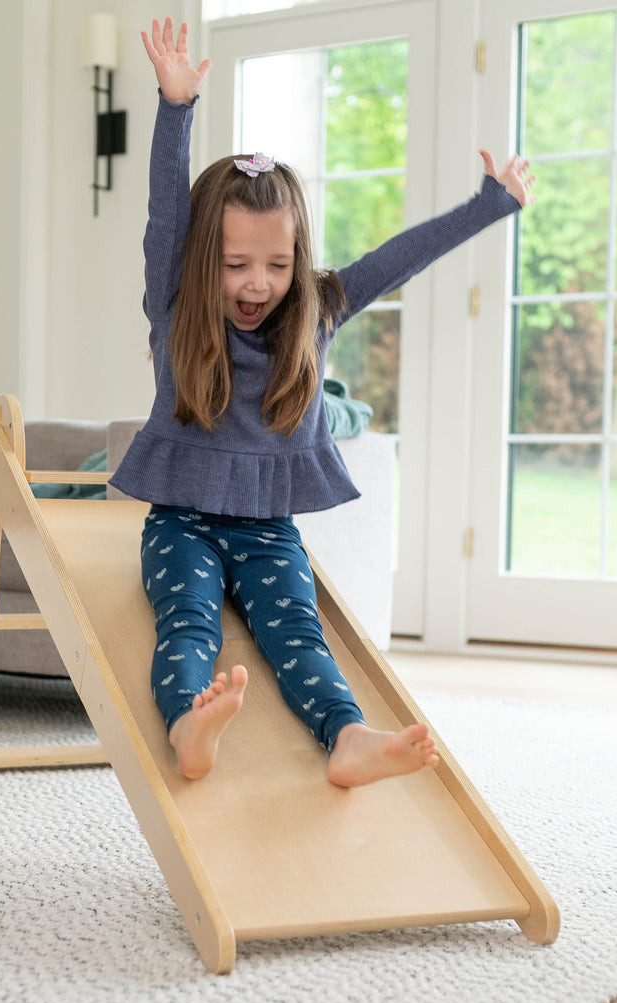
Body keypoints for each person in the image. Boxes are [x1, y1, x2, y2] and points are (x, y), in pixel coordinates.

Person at [110, 18, 534, 787]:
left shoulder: (316, 310)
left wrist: (489, 205)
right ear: (206, 260)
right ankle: (188, 727)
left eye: (276, 263)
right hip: (181, 520)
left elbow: (399, 256)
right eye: (236, 263)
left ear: (297, 260)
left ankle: (345, 739)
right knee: (187, 625)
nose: (255, 283)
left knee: (298, 634)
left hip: (269, 529)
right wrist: (177, 109)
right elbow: (166, 209)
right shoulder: (174, 299)